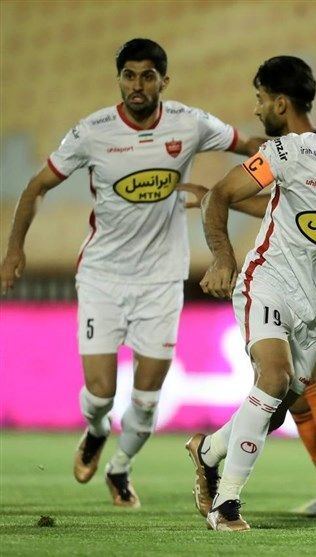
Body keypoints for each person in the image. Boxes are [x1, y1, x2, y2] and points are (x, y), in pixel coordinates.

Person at [0, 38, 263, 509]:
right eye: (129, 75)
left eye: (147, 76)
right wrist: (14, 249)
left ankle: (120, 467)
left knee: (146, 396)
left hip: (162, 278)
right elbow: (37, 186)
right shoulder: (92, 132)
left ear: (164, 80)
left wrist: (306, 149)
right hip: (102, 275)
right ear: (119, 79)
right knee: (102, 393)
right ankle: (96, 430)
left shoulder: (190, 122)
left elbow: (250, 146)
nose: (137, 85)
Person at [181, 56, 316, 519]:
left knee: (279, 405)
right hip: (270, 282)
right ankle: (229, 503)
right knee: (277, 380)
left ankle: (208, 450)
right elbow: (226, 194)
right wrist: (223, 257)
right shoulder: (292, 152)